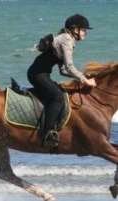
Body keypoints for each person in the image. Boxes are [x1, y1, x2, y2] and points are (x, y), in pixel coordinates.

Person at [26, 14, 96, 148]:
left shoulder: (66, 39)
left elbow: (63, 70)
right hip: (37, 74)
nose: (85, 33)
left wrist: (83, 77)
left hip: (41, 74)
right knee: (57, 97)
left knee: (61, 92)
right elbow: (69, 67)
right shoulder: (67, 40)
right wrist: (84, 80)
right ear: (75, 29)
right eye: (83, 30)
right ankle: (48, 134)